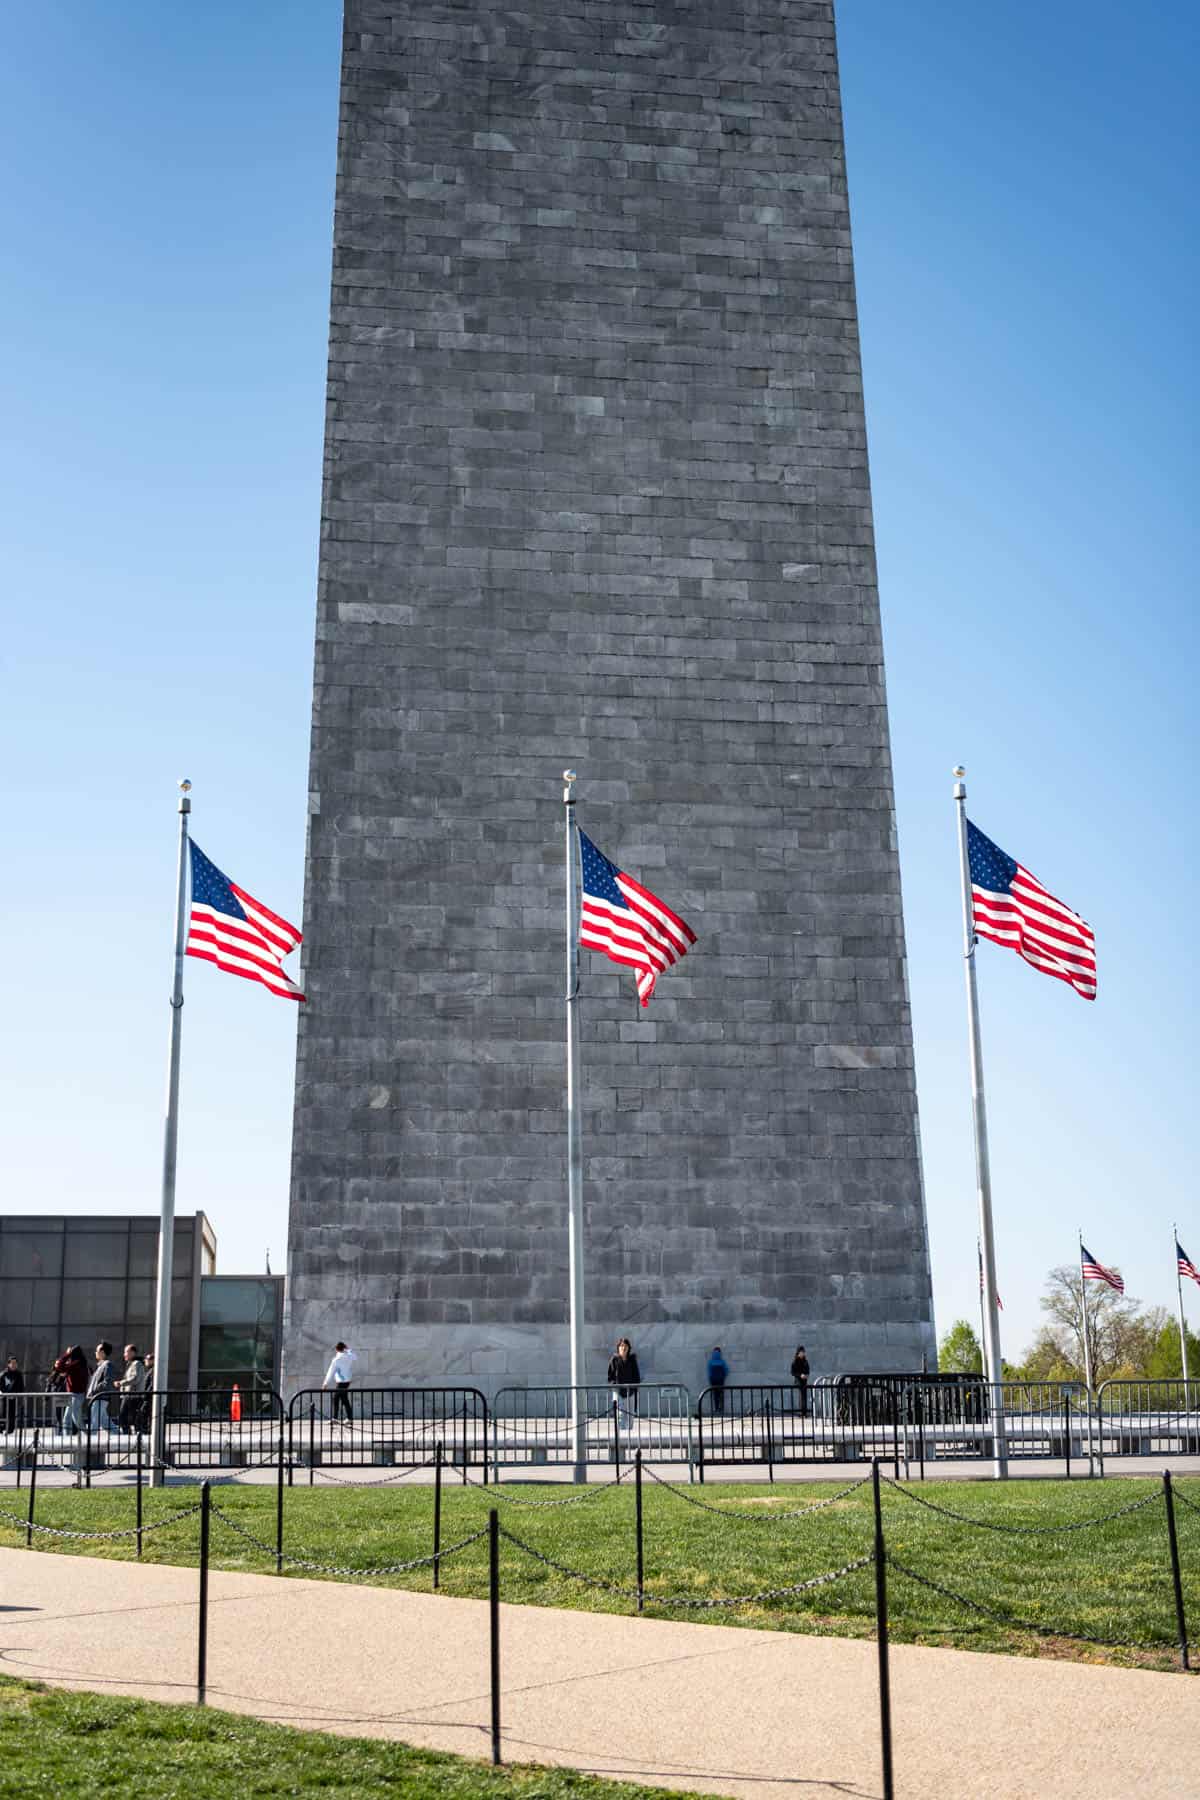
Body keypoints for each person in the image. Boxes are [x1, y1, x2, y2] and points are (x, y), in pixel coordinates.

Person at [54, 1346, 89, 1434]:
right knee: (67, 1419)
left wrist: (67, 1354)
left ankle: (88, 1437)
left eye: (71, 1353)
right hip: (74, 1395)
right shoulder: (79, 1363)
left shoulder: (77, 1363)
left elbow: (59, 1366)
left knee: (76, 1420)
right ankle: (68, 1441)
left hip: (76, 1395)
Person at [86, 1342, 119, 1434]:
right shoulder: (100, 1365)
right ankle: (119, 1435)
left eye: (97, 1350)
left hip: (100, 1398)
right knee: (105, 1422)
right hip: (98, 1398)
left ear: (103, 1352)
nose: (95, 1352)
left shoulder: (107, 1365)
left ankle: (90, 1445)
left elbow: (107, 1383)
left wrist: (93, 1391)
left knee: (94, 1423)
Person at [322, 1341, 357, 1425]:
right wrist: (348, 1349)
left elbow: (331, 1371)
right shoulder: (349, 1356)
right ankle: (349, 1418)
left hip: (341, 1382)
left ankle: (336, 1418)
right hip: (347, 1381)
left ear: (336, 1349)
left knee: (336, 1398)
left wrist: (325, 1383)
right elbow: (355, 1357)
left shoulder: (336, 1359)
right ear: (344, 1347)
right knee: (344, 1399)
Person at [117, 1345, 149, 1434]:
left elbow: (135, 1378)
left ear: (132, 1353)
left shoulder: (136, 1364)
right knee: (132, 1416)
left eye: (126, 1352)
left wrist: (121, 1383)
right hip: (130, 1395)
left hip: (132, 1395)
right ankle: (135, 1433)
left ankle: (132, 1433)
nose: (124, 1354)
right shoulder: (132, 1364)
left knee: (124, 1415)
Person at [606, 1336, 641, 1417]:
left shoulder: (632, 1360)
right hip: (618, 1392)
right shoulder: (614, 1360)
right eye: (621, 1346)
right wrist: (614, 1386)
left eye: (625, 1346)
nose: (623, 1348)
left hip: (630, 1392)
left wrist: (634, 1386)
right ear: (618, 1348)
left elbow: (636, 1375)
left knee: (630, 1415)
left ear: (629, 1348)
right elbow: (610, 1376)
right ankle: (621, 1430)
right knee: (620, 1415)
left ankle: (629, 1429)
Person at [0, 1357, 24, 1434]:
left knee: (12, 1413)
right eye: (12, 1363)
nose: (14, 1365)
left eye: (15, 1363)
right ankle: (2, 1428)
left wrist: (18, 1394)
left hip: (13, 1398)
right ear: (8, 1364)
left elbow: (21, 1387)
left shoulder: (18, 1374)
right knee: (3, 1412)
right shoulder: (4, 1374)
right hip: (3, 1398)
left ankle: (10, 1429)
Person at [706, 1345, 729, 1413]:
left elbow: (709, 1371)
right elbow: (726, 1370)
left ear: (713, 1352)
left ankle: (716, 1408)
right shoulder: (722, 1361)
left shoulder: (711, 1361)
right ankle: (721, 1408)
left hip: (713, 1380)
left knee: (715, 1395)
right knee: (721, 1394)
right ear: (720, 1352)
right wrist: (723, 1376)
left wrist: (710, 1379)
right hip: (721, 1380)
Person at [790, 1345, 810, 1415]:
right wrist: (800, 1375)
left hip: (804, 1380)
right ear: (798, 1353)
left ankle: (804, 1412)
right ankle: (802, 1412)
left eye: (803, 1352)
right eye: (801, 1352)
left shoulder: (805, 1361)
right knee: (801, 1395)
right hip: (798, 1381)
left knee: (804, 1396)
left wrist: (806, 1375)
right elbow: (792, 1372)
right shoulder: (795, 1361)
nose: (802, 1353)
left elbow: (808, 1370)